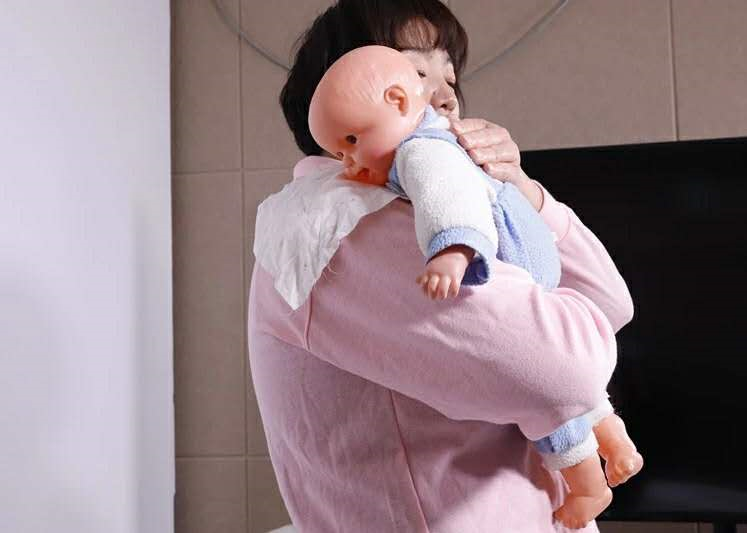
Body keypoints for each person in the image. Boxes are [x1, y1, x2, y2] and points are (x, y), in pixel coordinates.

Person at [248, 1, 635, 531]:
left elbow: (611, 305)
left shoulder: (424, 207)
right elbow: (568, 367)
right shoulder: (341, 223)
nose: (448, 96)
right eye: (417, 72)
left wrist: (519, 190)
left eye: (449, 76)